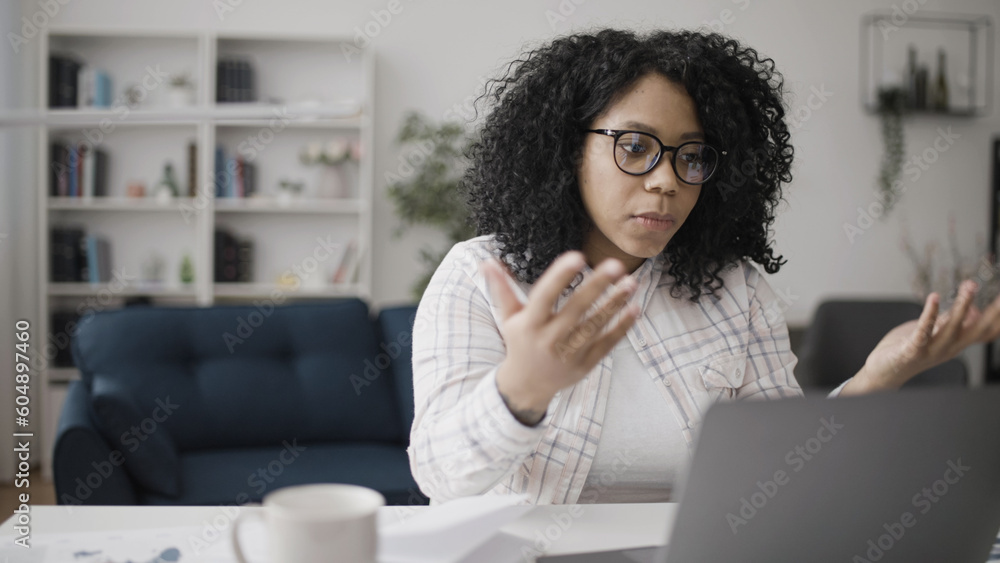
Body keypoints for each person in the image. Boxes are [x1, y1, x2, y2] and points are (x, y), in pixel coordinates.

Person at [406, 28, 1000, 506]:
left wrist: (878, 375)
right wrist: (522, 390)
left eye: (691, 157)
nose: (667, 180)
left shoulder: (733, 289)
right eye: (634, 147)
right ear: (567, 150)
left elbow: (783, 472)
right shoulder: (479, 274)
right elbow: (441, 476)